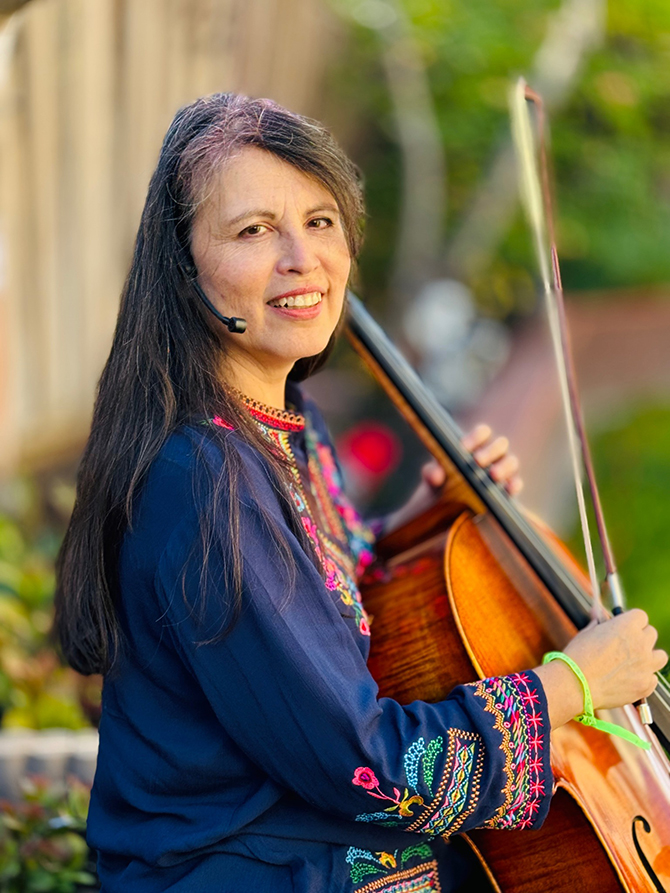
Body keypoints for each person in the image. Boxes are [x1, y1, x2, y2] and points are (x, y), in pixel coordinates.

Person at [54, 94, 666, 893]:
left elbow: (310, 599)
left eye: (319, 220)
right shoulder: (206, 478)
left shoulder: (282, 423)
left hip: (296, 838)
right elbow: (367, 765)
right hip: (245, 863)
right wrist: (570, 684)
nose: (301, 258)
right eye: (252, 230)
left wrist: (421, 521)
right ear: (184, 266)